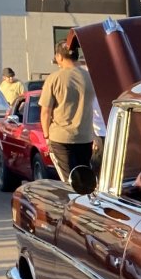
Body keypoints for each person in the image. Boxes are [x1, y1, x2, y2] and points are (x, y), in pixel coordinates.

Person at [39, 39, 97, 184]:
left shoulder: (54, 79)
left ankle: (73, 205)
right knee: (84, 179)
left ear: (59, 57)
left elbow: (45, 111)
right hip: (85, 136)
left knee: (69, 182)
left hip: (61, 138)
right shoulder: (90, 78)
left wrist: (46, 136)